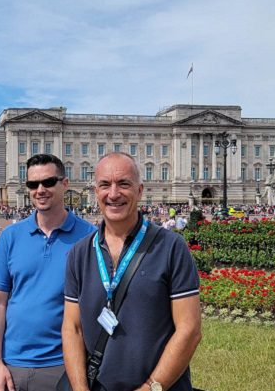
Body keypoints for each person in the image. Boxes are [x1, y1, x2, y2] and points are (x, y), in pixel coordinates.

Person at [62, 152, 202, 391]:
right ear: (96, 192)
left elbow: (189, 330)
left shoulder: (171, 247)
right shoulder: (80, 252)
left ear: (139, 190)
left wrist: (150, 388)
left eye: (124, 184)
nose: (113, 193)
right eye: (105, 185)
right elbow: (72, 328)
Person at [0, 154, 96, 390]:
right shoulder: (10, 236)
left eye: (48, 182)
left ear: (64, 184)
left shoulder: (90, 236)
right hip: (12, 361)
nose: (40, 190)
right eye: (33, 184)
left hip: (64, 363)